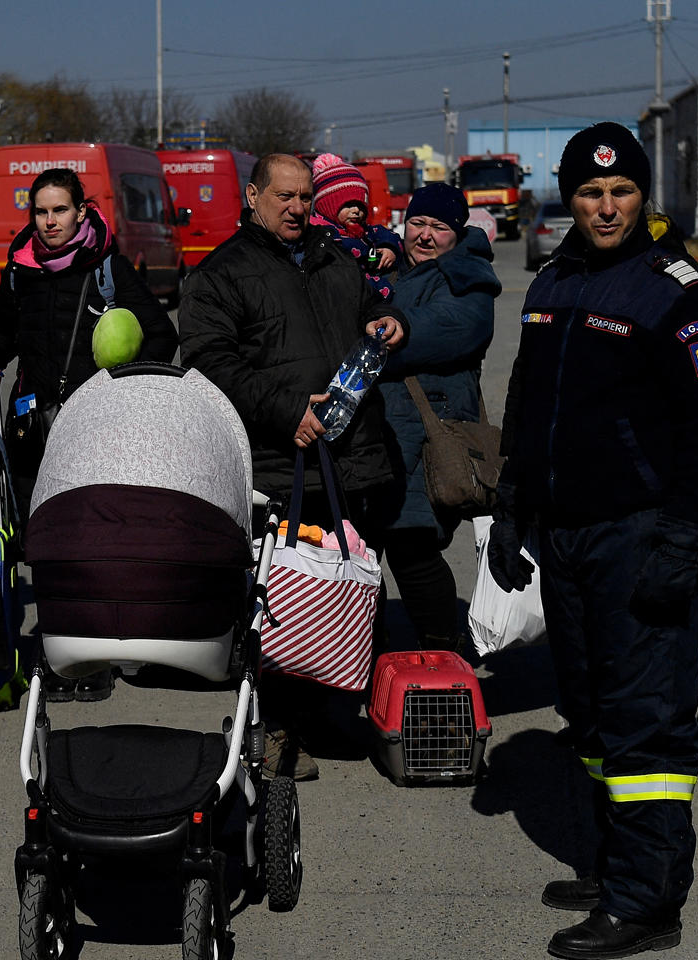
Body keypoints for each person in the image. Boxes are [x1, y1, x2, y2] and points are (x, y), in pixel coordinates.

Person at [487, 122, 698, 959]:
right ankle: (613, 866)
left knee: (645, 726)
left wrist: (681, 538)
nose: (605, 207)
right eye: (591, 193)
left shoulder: (679, 294)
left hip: (637, 536)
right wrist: (514, 507)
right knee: (591, 715)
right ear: (570, 197)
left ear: (642, 198)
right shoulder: (554, 279)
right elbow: (528, 405)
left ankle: (647, 904)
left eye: (622, 192)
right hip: (562, 535)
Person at [177, 153, 406, 780]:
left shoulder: (336, 259)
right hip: (280, 464)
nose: (298, 207)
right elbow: (209, 363)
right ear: (253, 197)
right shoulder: (221, 273)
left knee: (347, 591)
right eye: (284, 196)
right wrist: (283, 411)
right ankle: (273, 729)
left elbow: (375, 311)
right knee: (278, 603)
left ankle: (335, 712)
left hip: (353, 457)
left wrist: (392, 323)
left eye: (305, 195)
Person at [0, 168, 177, 703]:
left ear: (81, 212)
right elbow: (4, 330)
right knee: (45, 545)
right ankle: (62, 655)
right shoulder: (20, 271)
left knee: (92, 544)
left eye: (60, 210)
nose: (49, 222)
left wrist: (121, 387)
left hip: (94, 429)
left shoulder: (108, 268)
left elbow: (161, 333)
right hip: (33, 430)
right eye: (41, 212)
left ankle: (97, 657)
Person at [377, 182, 498, 650]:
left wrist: (398, 327)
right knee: (360, 557)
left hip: (424, 440)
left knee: (413, 550)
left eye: (439, 227)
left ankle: (443, 655)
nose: (425, 235)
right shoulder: (388, 268)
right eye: (418, 223)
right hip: (378, 437)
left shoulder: (466, 275)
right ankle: (366, 661)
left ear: (457, 233)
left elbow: (455, 327)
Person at [309, 153, 401, 298]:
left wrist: (390, 248)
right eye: (348, 205)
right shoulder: (322, 235)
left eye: (361, 205)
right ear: (328, 206)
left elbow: (386, 234)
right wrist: (379, 287)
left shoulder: (362, 230)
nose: (356, 211)